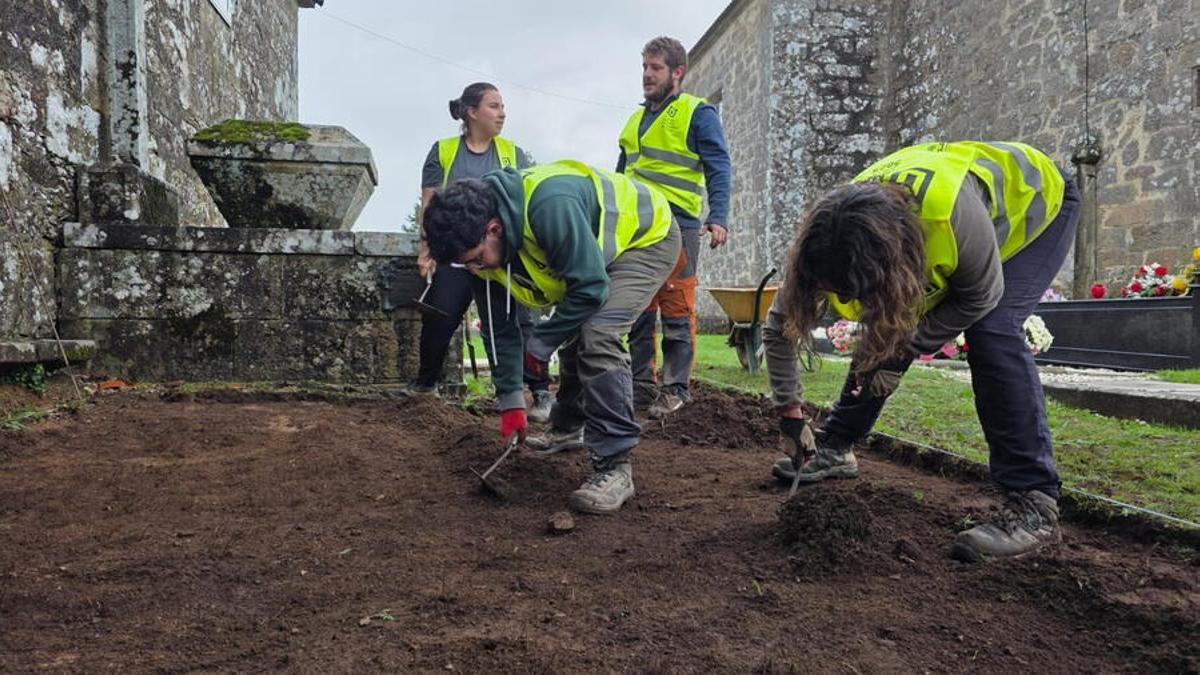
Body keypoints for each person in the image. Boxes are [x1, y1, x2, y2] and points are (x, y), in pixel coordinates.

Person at [763, 141, 1080, 561]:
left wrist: (908, 345)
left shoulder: (950, 219)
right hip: (944, 225)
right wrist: (789, 412)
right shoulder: (830, 235)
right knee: (889, 325)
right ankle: (836, 447)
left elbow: (979, 298)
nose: (841, 297)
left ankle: (1034, 504)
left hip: (1039, 208)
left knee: (993, 331)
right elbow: (778, 327)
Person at [421, 161, 680, 514]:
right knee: (577, 330)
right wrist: (511, 401)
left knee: (598, 334)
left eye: (477, 260)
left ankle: (615, 466)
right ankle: (569, 427)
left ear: (493, 228)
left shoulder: (548, 205)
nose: (475, 269)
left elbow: (589, 288)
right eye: (466, 264)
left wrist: (541, 343)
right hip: (593, 256)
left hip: (646, 237)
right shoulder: (480, 253)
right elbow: (500, 329)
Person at [412, 82, 553, 422]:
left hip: (498, 255)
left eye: (502, 106)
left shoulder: (511, 152)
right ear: (472, 112)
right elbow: (430, 203)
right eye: (494, 106)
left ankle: (540, 391)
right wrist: (426, 248)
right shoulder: (444, 151)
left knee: (521, 323)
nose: (502, 113)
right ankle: (424, 388)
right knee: (440, 316)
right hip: (457, 257)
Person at [617, 36, 732, 418]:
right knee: (638, 310)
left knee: (676, 308)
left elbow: (719, 166)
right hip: (635, 228)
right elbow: (621, 176)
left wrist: (718, 217)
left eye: (656, 68)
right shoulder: (634, 121)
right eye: (644, 68)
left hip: (677, 225)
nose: (647, 75)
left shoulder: (698, 113)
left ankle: (676, 389)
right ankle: (640, 389)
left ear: (677, 73)